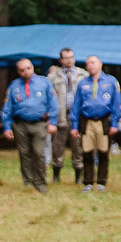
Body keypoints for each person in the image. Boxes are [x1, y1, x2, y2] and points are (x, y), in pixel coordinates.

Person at [3, 57, 57, 195]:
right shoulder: (14, 86)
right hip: (20, 124)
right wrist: (7, 127)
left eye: (28, 68)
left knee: (39, 153)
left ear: (33, 68)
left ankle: (41, 182)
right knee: (25, 154)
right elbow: (7, 108)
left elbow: (53, 103)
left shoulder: (44, 83)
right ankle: (28, 181)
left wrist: (53, 122)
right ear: (18, 71)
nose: (26, 72)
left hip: (39, 123)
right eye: (22, 70)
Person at [72, 55, 121, 191]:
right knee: (87, 151)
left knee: (103, 151)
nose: (90, 66)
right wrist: (74, 125)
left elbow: (116, 103)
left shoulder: (111, 81)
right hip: (87, 120)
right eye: (88, 64)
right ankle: (88, 182)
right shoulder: (82, 83)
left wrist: (114, 123)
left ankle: (101, 182)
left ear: (100, 64)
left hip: (104, 120)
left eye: (93, 63)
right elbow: (76, 105)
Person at [47, 47, 85, 185]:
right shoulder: (53, 76)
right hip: (60, 116)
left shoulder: (83, 75)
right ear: (61, 60)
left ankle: (78, 176)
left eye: (71, 57)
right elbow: (49, 98)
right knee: (57, 146)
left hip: (77, 116)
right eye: (66, 58)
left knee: (78, 146)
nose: (69, 60)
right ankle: (56, 175)